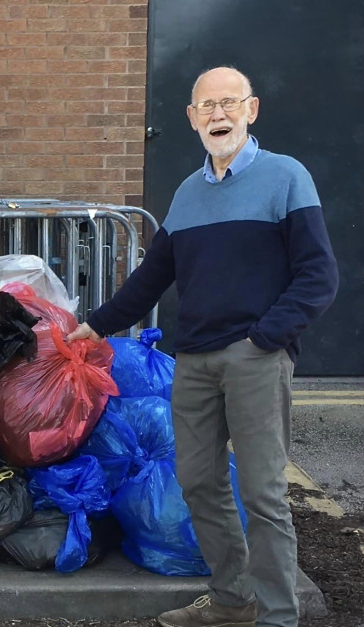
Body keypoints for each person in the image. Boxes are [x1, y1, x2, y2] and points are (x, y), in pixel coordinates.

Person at [67, 66, 338, 627]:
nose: (218, 114)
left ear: (252, 109)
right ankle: (233, 600)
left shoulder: (287, 177)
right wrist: (95, 324)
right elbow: (152, 277)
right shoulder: (189, 192)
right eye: (206, 106)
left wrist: (265, 338)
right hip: (192, 360)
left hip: (255, 358)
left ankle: (279, 617)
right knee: (199, 484)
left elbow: (318, 276)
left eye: (228, 103)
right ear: (192, 119)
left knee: (263, 495)